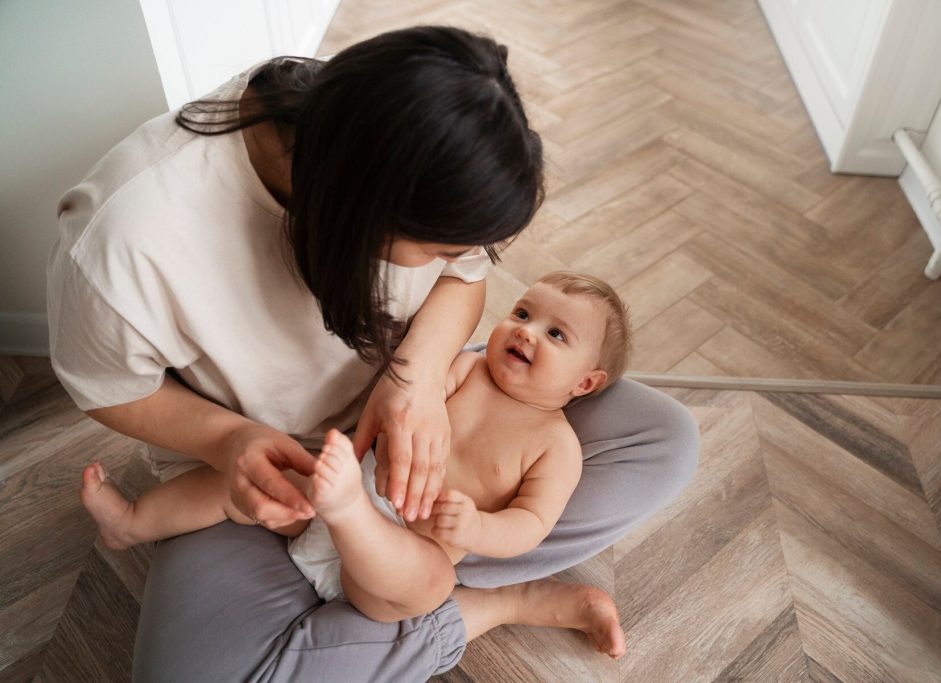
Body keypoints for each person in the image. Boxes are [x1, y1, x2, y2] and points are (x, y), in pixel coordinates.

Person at [48, 25, 699, 682]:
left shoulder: (395, 121)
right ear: (360, 212)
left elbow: (464, 279)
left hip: (421, 466)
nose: (460, 260)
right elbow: (109, 387)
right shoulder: (121, 244)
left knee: (666, 439)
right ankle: (484, 603)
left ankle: (441, 590)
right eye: (440, 247)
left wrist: (415, 378)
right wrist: (229, 439)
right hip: (268, 473)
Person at [79, 271, 632, 657]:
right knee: (250, 478)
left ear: (585, 383)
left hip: (394, 564)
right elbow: (422, 389)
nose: (525, 331)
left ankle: (349, 514)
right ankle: (133, 522)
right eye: (523, 312)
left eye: (555, 334)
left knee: (434, 583)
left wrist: (480, 527)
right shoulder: (470, 370)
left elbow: (532, 525)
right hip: (334, 496)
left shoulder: (557, 447)